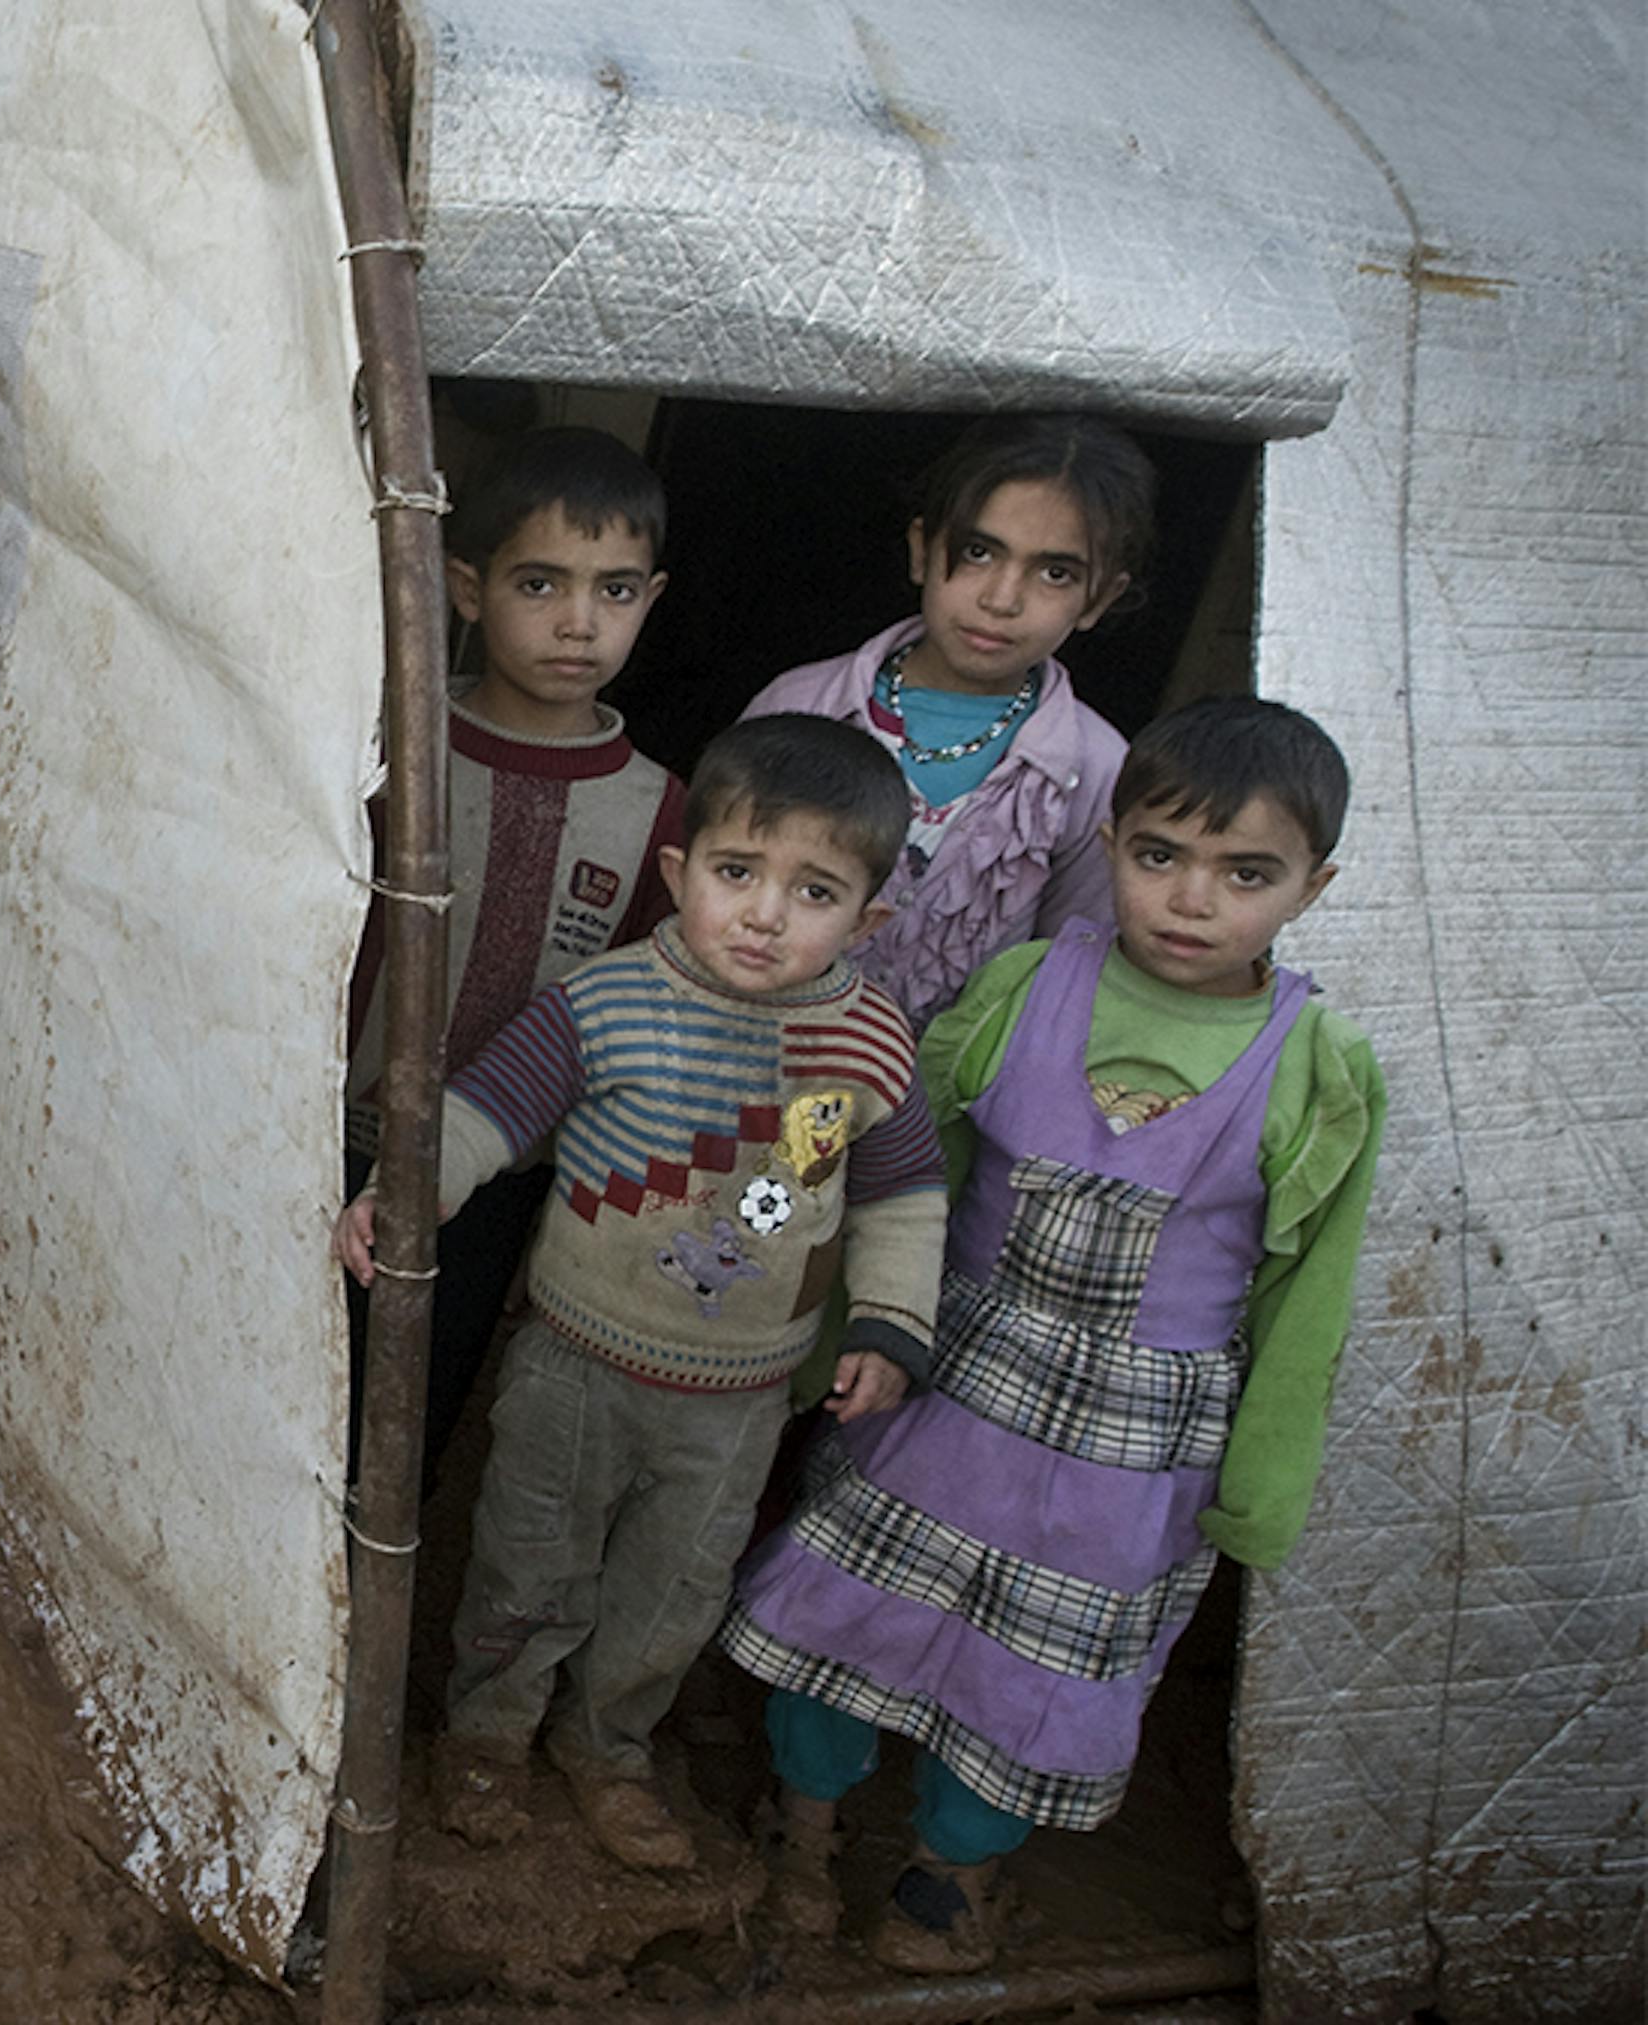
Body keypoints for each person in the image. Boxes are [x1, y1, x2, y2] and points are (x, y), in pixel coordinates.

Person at [717, 697, 1386, 1974]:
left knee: (1038, 1674)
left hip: (1127, 1460)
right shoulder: (1029, 986)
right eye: (1157, 856)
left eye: (1246, 873)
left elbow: (1314, 1294)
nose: (1192, 900)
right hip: (947, 1387)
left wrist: (1265, 1483)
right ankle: (800, 1831)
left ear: (1314, 885)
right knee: (847, 1605)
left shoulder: (1321, 1066)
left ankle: (944, 1878)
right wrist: (829, 1339)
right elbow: (910, 1172)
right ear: (1113, 842)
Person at [335, 716, 948, 1873]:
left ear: (868, 920)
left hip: (739, 1401)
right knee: (529, 1556)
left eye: (813, 891)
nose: (765, 913)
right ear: (681, 872)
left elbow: (904, 1196)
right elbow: (489, 1108)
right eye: (736, 873)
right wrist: (408, 1190)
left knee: (672, 1590)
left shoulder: (866, 1048)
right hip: (575, 1361)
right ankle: (488, 1732)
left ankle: (610, 1749)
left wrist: (890, 1325)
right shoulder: (610, 1000)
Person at [340, 425, 687, 1466]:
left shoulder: (662, 813)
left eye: (615, 591)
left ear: (651, 602)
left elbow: (639, 1021)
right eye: (541, 584)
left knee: (407, 1413)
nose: (579, 623)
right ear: (464, 588)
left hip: (500, 1186)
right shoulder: (385, 753)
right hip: (333, 1137)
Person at [742, 415, 1159, 1026]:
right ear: (921, 550)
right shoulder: (803, 704)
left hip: (946, 1107)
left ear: (1099, 598)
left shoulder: (1094, 769)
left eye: (1055, 573)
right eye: (979, 552)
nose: (1001, 598)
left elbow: (1070, 978)